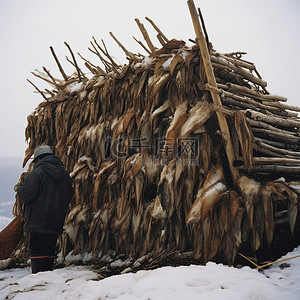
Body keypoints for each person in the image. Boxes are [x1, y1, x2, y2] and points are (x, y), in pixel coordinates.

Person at [15, 145, 73, 273]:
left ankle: (38, 277)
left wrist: (20, 188)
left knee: (38, 250)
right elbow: (69, 195)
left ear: (39, 159)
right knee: (49, 250)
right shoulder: (64, 174)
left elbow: (27, 195)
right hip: (56, 220)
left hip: (38, 220)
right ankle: (48, 276)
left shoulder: (38, 173)